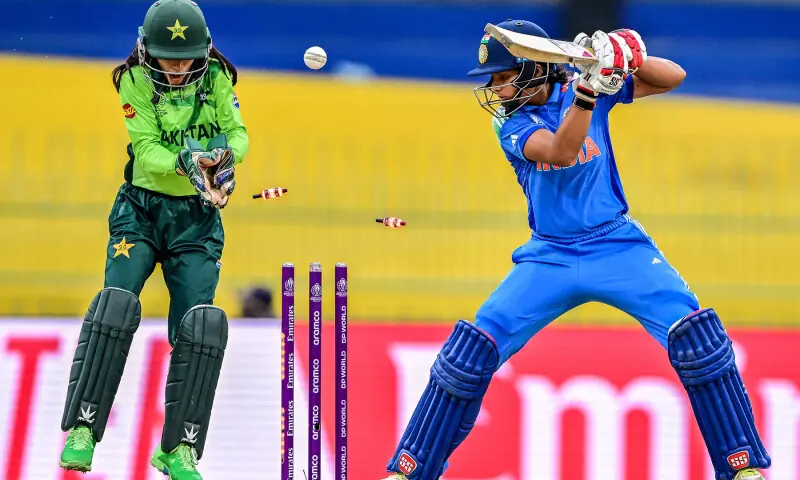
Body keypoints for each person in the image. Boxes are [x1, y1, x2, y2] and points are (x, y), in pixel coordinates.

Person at [382, 20, 770, 480]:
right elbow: (562, 151)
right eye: (495, 81)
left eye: (505, 77)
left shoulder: (586, 85)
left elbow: (673, 77)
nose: (497, 89)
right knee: (468, 355)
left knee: (698, 341)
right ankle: (409, 471)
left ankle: (742, 468)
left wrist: (620, 55)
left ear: (536, 70)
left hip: (617, 244)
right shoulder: (511, 123)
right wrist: (588, 90)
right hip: (550, 257)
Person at [58, 0, 248, 478]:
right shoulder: (133, 81)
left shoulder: (218, 77)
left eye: (187, 57)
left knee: (200, 327)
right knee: (116, 304)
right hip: (141, 210)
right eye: (169, 56)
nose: (179, 67)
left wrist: (224, 158)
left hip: (197, 218)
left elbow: (240, 134)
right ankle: (84, 429)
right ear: (147, 50)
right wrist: (188, 162)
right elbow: (145, 148)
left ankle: (178, 448)